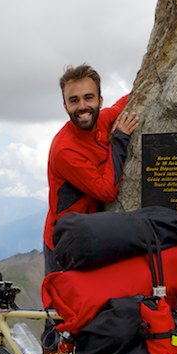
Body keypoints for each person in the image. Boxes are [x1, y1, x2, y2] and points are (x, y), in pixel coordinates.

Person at [42, 63, 140, 274]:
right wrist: (120, 139)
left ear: (99, 100)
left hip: (90, 232)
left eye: (89, 97)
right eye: (74, 100)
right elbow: (106, 191)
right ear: (65, 106)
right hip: (64, 244)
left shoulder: (102, 120)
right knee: (67, 305)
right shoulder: (65, 150)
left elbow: (123, 103)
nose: (82, 106)